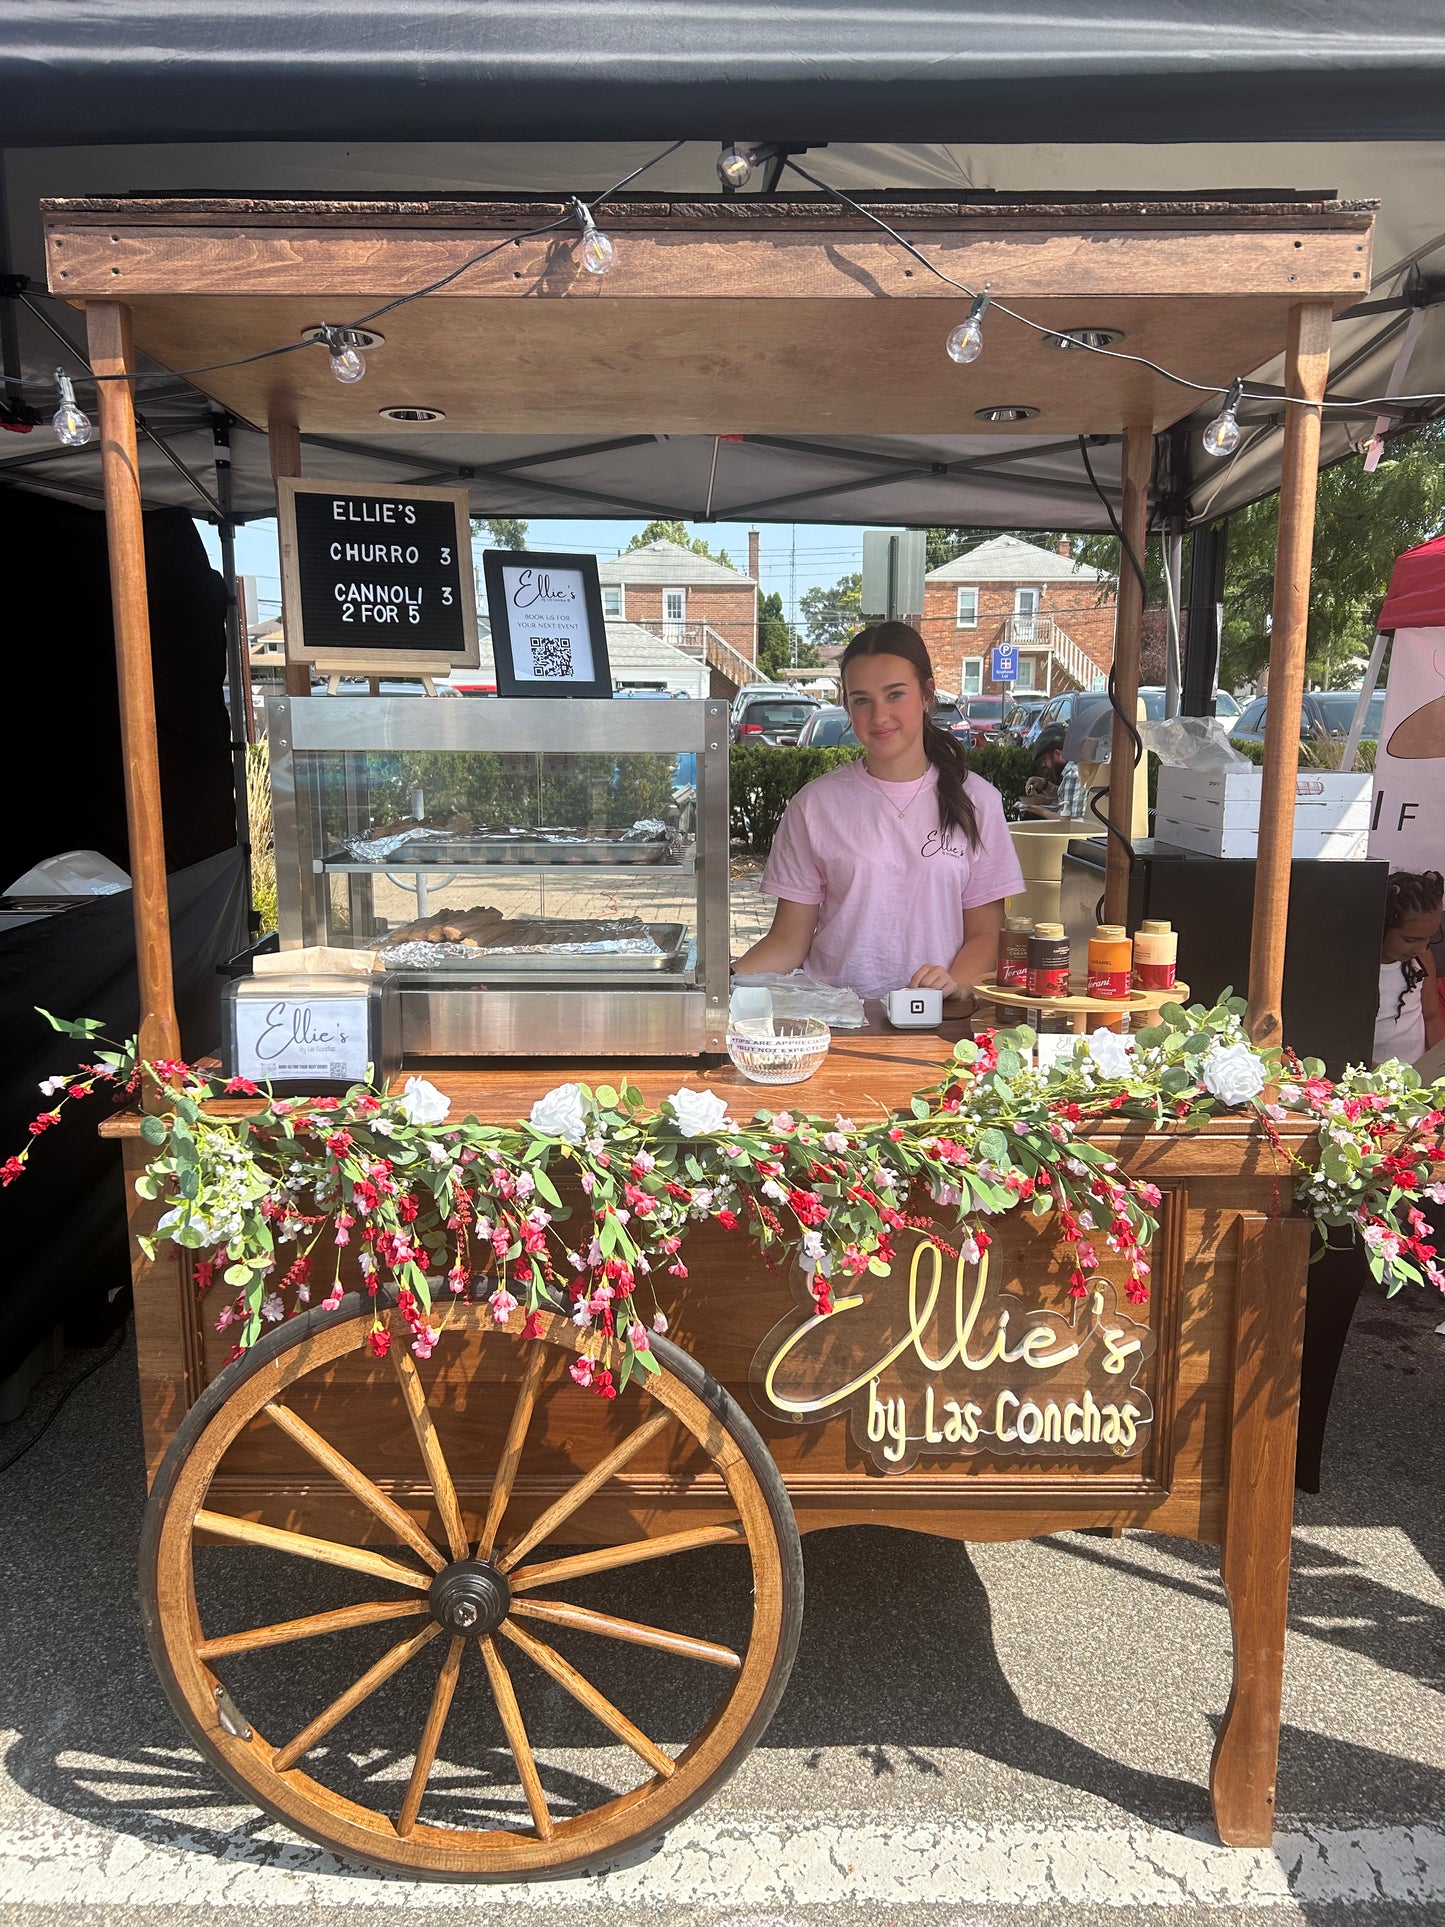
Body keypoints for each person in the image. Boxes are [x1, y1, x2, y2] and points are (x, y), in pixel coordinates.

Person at [734, 621, 1026, 1000]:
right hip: (834, 1016)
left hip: (935, 1020)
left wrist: (953, 984)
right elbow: (788, 941)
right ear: (847, 706)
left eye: (895, 694)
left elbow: (986, 934)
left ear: (927, 694)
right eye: (862, 700)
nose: (879, 716)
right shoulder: (813, 805)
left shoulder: (978, 801)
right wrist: (720, 983)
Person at [1373, 869, 1445, 1068]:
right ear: (1383, 926)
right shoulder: (1359, 969)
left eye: (1428, 938)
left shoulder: (1420, 958)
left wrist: (1439, 1065)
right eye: (1411, 940)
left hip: (1420, 1071)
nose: (1421, 948)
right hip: (1374, 1076)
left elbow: (1431, 1015)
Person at [1023, 723, 1067, 807]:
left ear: (1057, 754)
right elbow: (1064, 796)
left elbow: (1069, 815)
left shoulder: (1073, 775)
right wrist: (1044, 785)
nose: (1043, 764)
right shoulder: (1072, 773)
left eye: (1044, 759)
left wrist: (1038, 810)